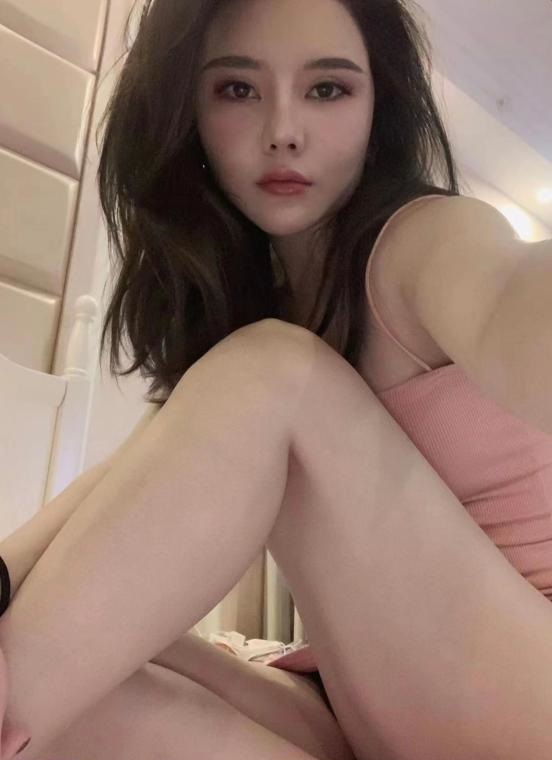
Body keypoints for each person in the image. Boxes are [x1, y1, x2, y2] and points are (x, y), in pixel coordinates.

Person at [1, 0, 552, 758]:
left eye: (327, 89)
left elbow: (506, 298)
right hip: (384, 706)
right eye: (238, 89)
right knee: (83, 673)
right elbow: (120, 486)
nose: (283, 130)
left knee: (275, 369)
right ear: (186, 113)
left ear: (378, 108)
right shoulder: (248, 326)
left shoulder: (423, 240)